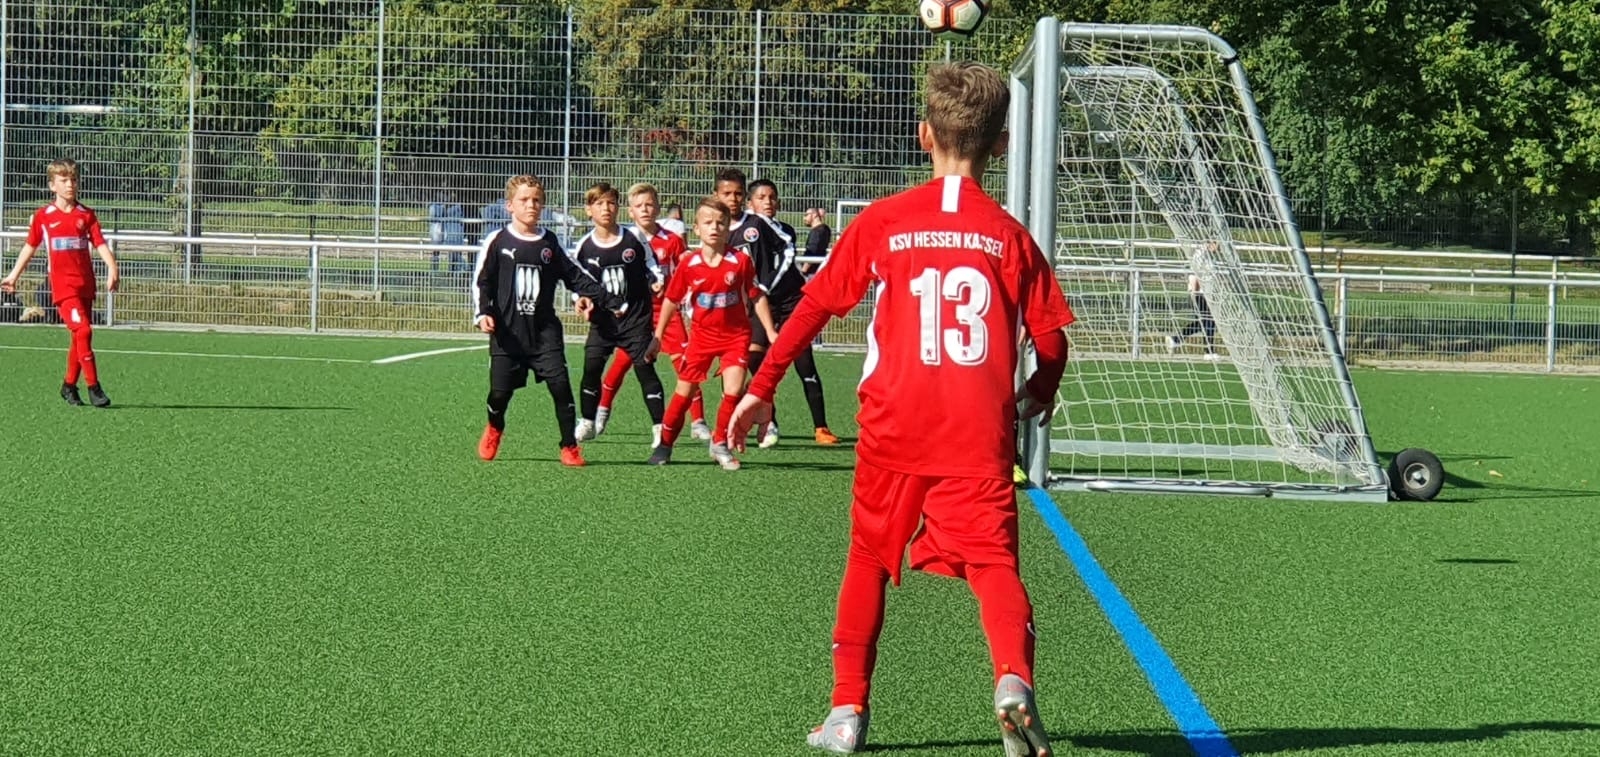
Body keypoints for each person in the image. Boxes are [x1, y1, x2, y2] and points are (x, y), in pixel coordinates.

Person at [728, 62, 1076, 756]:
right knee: (994, 563)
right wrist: (1041, 388)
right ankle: (1012, 678)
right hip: (976, 430)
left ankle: (847, 711)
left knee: (866, 558)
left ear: (924, 135)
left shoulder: (884, 221)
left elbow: (814, 307)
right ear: (1001, 145)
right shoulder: (1009, 236)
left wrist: (762, 387)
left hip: (893, 424)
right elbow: (1052, 340)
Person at [472, 174, 624, 467]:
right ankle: (494, 427)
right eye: (524, 200)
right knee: (499, 394)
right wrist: (483, 313)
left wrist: (609, 300)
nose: (531, 205)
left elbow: (575, 275)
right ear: (509, 205)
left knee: (561, 388)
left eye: (537, 200)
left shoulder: (550, 242)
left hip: (544, 334)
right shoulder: (498, 240)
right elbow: (483, 282)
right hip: (508, 334)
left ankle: (569, 446)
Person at [646, 197, 778, 470]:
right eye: (708, 223)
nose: (714, 228)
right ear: (696, 228)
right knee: (684, 393)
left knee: (733, 390)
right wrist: (657, 336)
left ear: (728, 228)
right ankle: (665, 444)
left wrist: (770, 331)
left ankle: (719, 444)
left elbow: (756, 296)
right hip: (701, 338)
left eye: (720, 223)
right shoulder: (689, 264)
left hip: (735, 336)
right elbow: (671, 299)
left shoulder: (740, 261)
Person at [593, 183, 711, 441]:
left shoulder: (672, 240)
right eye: (639, 206)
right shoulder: (625, 240)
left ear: (657, 208)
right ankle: (601, 410)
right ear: (630, 211)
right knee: (622, 363)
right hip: (637, 315)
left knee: (685, 365)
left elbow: (686, 271)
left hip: (668, 313)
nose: (645, 209)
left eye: (649, 204)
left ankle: (698, 420)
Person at [0, 158, 121, 407]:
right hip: (62, 287)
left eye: (73, 180)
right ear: (52, 185)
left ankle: (68, 386)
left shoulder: (86, 215)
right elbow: (30, 247)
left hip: (85, 284)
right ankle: (94, 387)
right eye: (64, 180)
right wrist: (13, 275)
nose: (70, 185)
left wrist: (112, 267)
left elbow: (99, 243)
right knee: (84, 331)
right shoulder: (43, 216)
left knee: (79, 337)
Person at [567, 182, 668, 453]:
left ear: (618, 207)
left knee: (645, 369)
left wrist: (657, 280)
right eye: (599, 203)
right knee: (591, 368)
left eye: (611, 203)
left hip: (635, 320)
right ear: (588, 210)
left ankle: (660, 428)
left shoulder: (633, 238)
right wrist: (580, 300)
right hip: (604, 323)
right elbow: (578, 281)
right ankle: (588, 421)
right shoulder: (584, 247)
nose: (606, 208)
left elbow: (652, 265)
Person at [745, 179, 837, 446]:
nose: (768, 202)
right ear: (750, 203)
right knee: (754, 358)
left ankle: (821, 427)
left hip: (790, 300)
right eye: (761, 197)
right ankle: (770, 421)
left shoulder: (784, 230)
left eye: (772, 197)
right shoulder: (742, 230)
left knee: (803, 360)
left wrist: (763, 286)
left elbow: (783, 261)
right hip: (762, 303)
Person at [1166, 241, 1219, 361]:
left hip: (1206, 294)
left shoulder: (1208, 255)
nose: (1218, 248)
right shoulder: (1200, 254)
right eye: (1216, 244)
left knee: (1204, 323)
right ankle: (1209, 351)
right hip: (1201, 294)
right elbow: (1195, 274)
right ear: (1210, 243)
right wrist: (1195, 293)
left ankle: (1176, 340)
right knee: (1208, 322)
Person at [800, 206, 833, 276]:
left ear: (814, 215)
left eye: (806, 215)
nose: (804, 218)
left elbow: (812, 251)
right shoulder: (826, 229)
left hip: (811, 271)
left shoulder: (817, 232)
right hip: (819, 268)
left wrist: (804, 270)